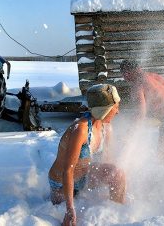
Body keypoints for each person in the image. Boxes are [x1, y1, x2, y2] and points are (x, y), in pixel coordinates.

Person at [48, 84, 126, 226]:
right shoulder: (80, 130)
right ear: (104, 109)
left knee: (117, 174)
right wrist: (70, 210)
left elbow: (106, 161)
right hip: (62, 184)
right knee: (71, 218)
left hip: (84, 175)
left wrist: (111, 182)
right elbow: (68, 171)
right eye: (116, 107)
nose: (118, 112)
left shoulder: (106, 127)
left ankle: (118, 216)